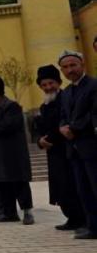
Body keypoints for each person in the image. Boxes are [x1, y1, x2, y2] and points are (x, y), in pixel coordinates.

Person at [34, 64, 85, 231]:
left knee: (74, 186)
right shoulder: (44, 106)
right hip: (53, 153)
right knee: (61, 188)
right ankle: (72, 218)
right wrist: (39, 141)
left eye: (51, 83)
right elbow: (39, 129)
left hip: (69, 151)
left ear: (58, 82)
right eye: (44, 85)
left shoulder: (67, 99)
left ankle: (82, 219)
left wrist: (48, 138)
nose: (48, 88)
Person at [0, 76, 34, 225]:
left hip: (13, 153)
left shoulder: (12, 107)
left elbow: (7, 126)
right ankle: (9, 213)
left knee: (19, 183)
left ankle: (27, 212)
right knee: (3, 184)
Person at [58, 51, 97, 239]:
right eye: (65, 67)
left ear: (82, 64)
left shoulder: (93, 85)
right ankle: (92, 226)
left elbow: (93, 114)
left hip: (91, 146)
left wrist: (73, 128)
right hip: (74, 149)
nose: (70, 70)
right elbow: (63, 115)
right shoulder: (66, 92)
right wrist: (63, 127)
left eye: (73, 65)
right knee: (84, 189)